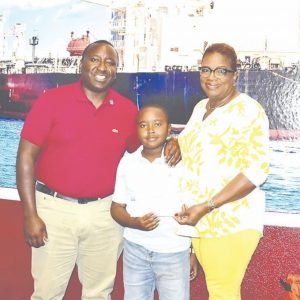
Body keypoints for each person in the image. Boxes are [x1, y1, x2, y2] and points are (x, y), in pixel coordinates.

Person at [16, 40, 181, 300]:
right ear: (82, 64)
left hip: (105, 216)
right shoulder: (52, 101)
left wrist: (173, 140)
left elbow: (148, 147)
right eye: (95, 59)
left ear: (116, 70)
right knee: (46, 294)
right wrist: (29, 215)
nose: (102, 67)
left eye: (110, 62)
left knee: (99, 294)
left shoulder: (128, 111)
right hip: (54, 212)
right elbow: (25, 157)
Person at [174, 43, 270, 300]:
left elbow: (255, 173)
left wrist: (206, 206)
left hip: (230, 222)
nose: (211, 77)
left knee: (222, 293)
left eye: (221, 71)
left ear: (234, 75)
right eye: (206, 69)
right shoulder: (201, 108)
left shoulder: (249, 110)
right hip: (200, 223)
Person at [111, 103, 198, 300]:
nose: (150, 131)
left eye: (157, 124)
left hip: (175, 252)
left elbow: (192, 209)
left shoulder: (182, 162)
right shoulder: (127, 163)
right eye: (143, 125)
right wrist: (134, 222)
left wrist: (193, 252)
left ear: (169, 129)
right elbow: (116, 207)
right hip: (135, 250)